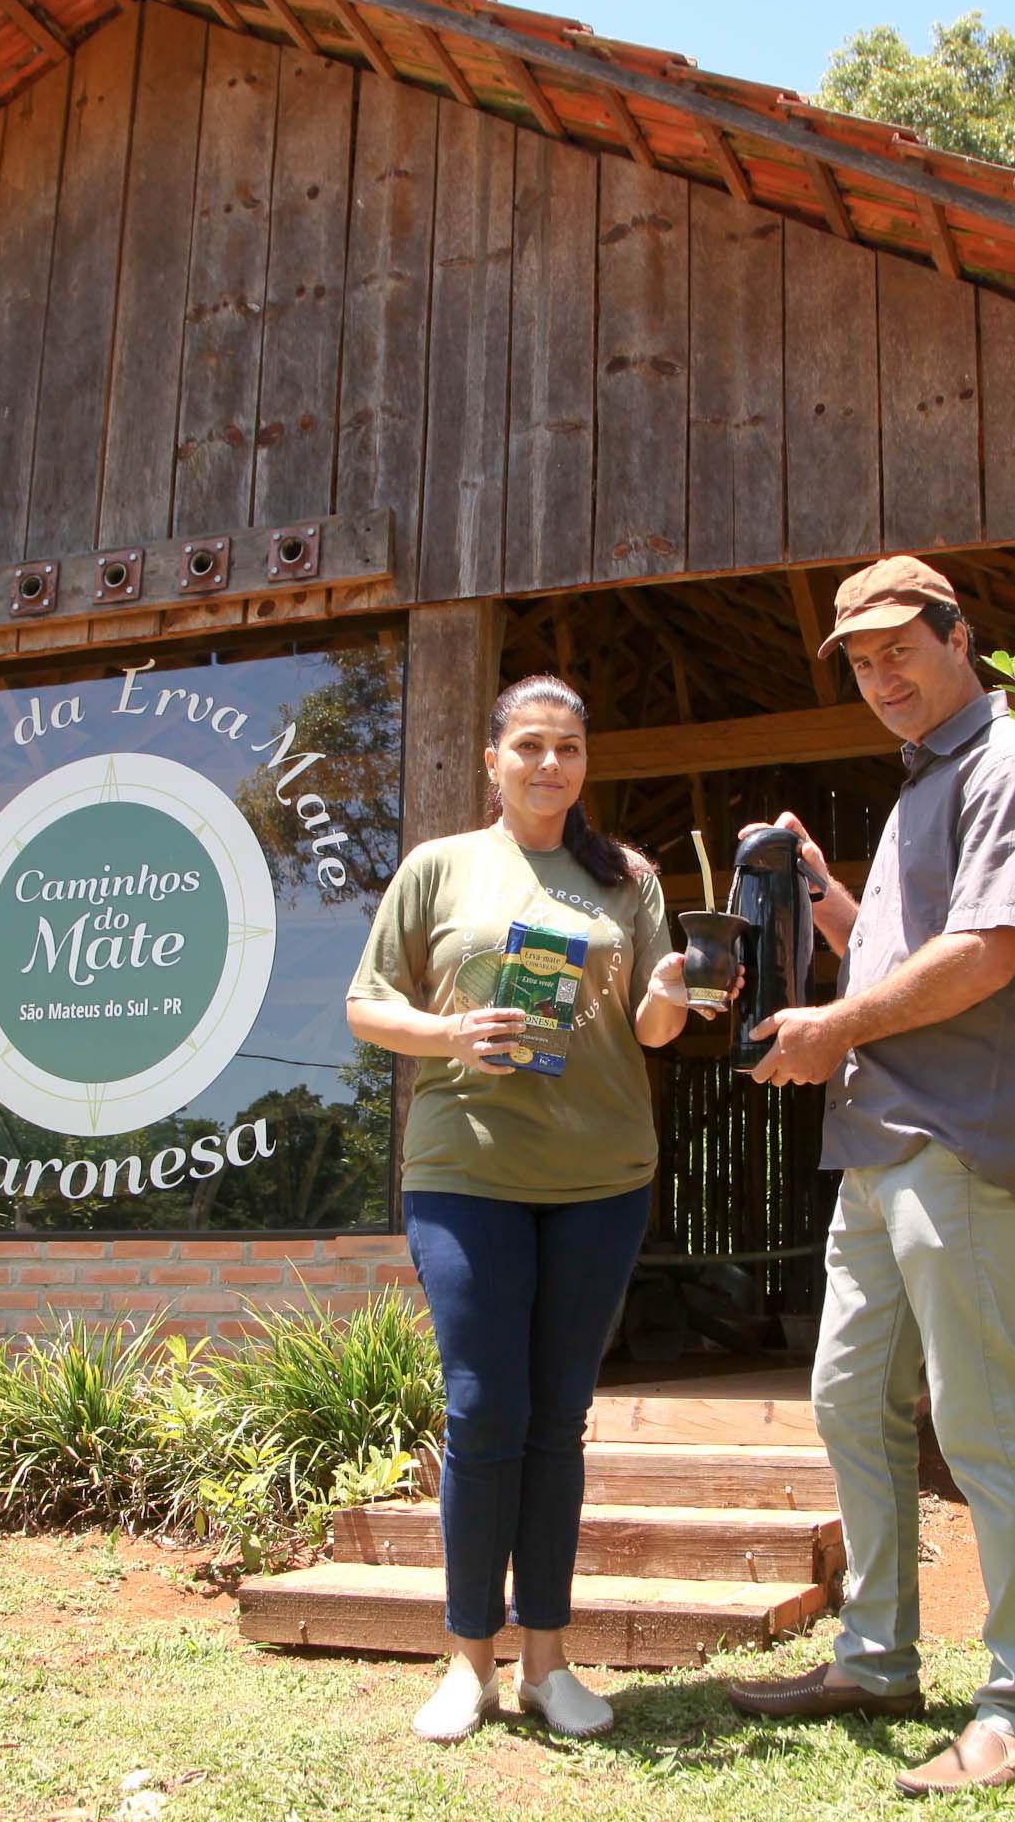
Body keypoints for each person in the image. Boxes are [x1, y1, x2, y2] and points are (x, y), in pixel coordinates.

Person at [724, 555, 1015, 1798]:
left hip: (958, 1138)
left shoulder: (1014, 769)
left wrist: (834, 1030)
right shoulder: (922, 785)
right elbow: (892, 954)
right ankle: (877, 1656)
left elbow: (985, 957)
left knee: (980, 1415)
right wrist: (829, 895)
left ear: (957, 634)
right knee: (846, 1399)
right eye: (861, 660)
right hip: (877, 1143)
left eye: (901, 649)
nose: (883, 676)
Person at [346, 673, 721, 1743]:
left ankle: (549, 1660)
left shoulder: (627, 877)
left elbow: (656, 1027)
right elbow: (368, 1004)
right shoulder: (438, 868)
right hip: (465, 1170)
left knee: (558, 1420)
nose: (549, 764)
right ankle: (468, 1658)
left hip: (603, 1178)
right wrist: (449, 1035)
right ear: (493, 759)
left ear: (585, 761)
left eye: (568, 747)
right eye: (529, 746)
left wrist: (672, 991)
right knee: (482, 1410)